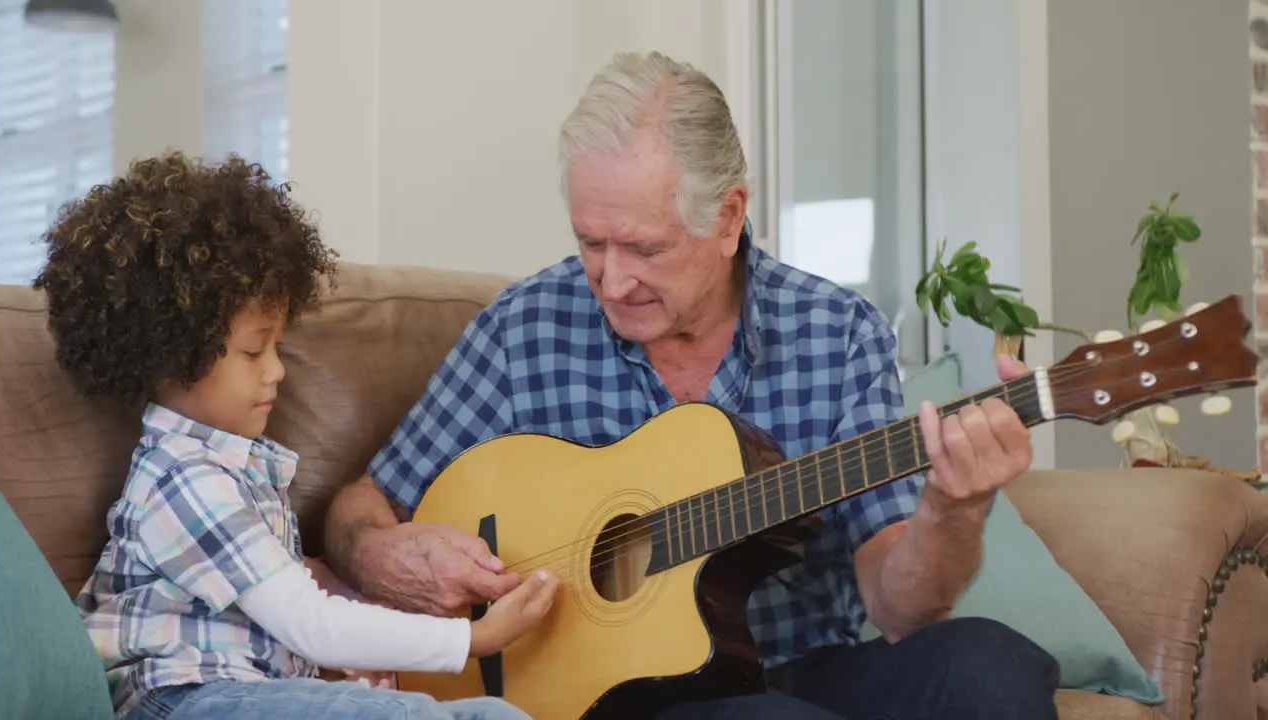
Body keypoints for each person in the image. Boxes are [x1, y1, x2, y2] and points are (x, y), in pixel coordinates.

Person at [321, 52, 1058, 719]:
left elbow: (900, 610)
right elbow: (363, 504)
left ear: (729, 216)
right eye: (590, 242)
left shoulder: (839, 331)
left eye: (643, 247)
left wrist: (954, 510)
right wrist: (382, 554)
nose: (610, 279)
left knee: (996, 666)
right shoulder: (525, 329)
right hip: (624, 699)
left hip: (808, 666)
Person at [36, 152, 559, 720]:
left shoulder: (237, 470)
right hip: (179, 699)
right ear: (171, 356)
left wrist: (347, 667)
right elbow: (309, 623)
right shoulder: (184, 477)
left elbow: (289, 636)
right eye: (253, 351)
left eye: (278, 347)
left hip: (244, 692)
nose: (277, 370)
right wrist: (473, 642)